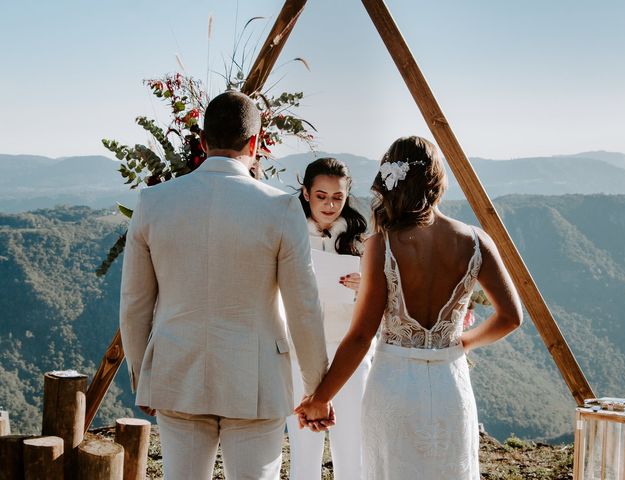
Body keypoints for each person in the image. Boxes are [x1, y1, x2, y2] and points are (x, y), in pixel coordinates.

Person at [119, 91, 330, 480]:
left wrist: (142, 376)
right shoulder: (280, 208)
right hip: (257, 379)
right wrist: (318, 390)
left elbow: (134, 303)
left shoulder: (152, 202)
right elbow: (304, 305)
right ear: (254, 142)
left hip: (177, 371)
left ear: (202, 142)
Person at [295, 136, 523, 479]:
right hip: (450, 385)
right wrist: (463, 342)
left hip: (393, 388)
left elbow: (360, 336)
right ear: (437, 180)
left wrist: (320, 397)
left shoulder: (381, 246)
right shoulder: (476, 241)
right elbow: (511, 317)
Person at [286, 157, 370, 480]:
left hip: (349, 350)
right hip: (300, 350)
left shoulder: (361, 238)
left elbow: (388, 296)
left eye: (338, 197)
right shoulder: (290, 233)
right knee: (304, 447)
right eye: (321, 196)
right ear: (306, 193)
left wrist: (366, 286)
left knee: (352, 446)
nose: (330, 205)